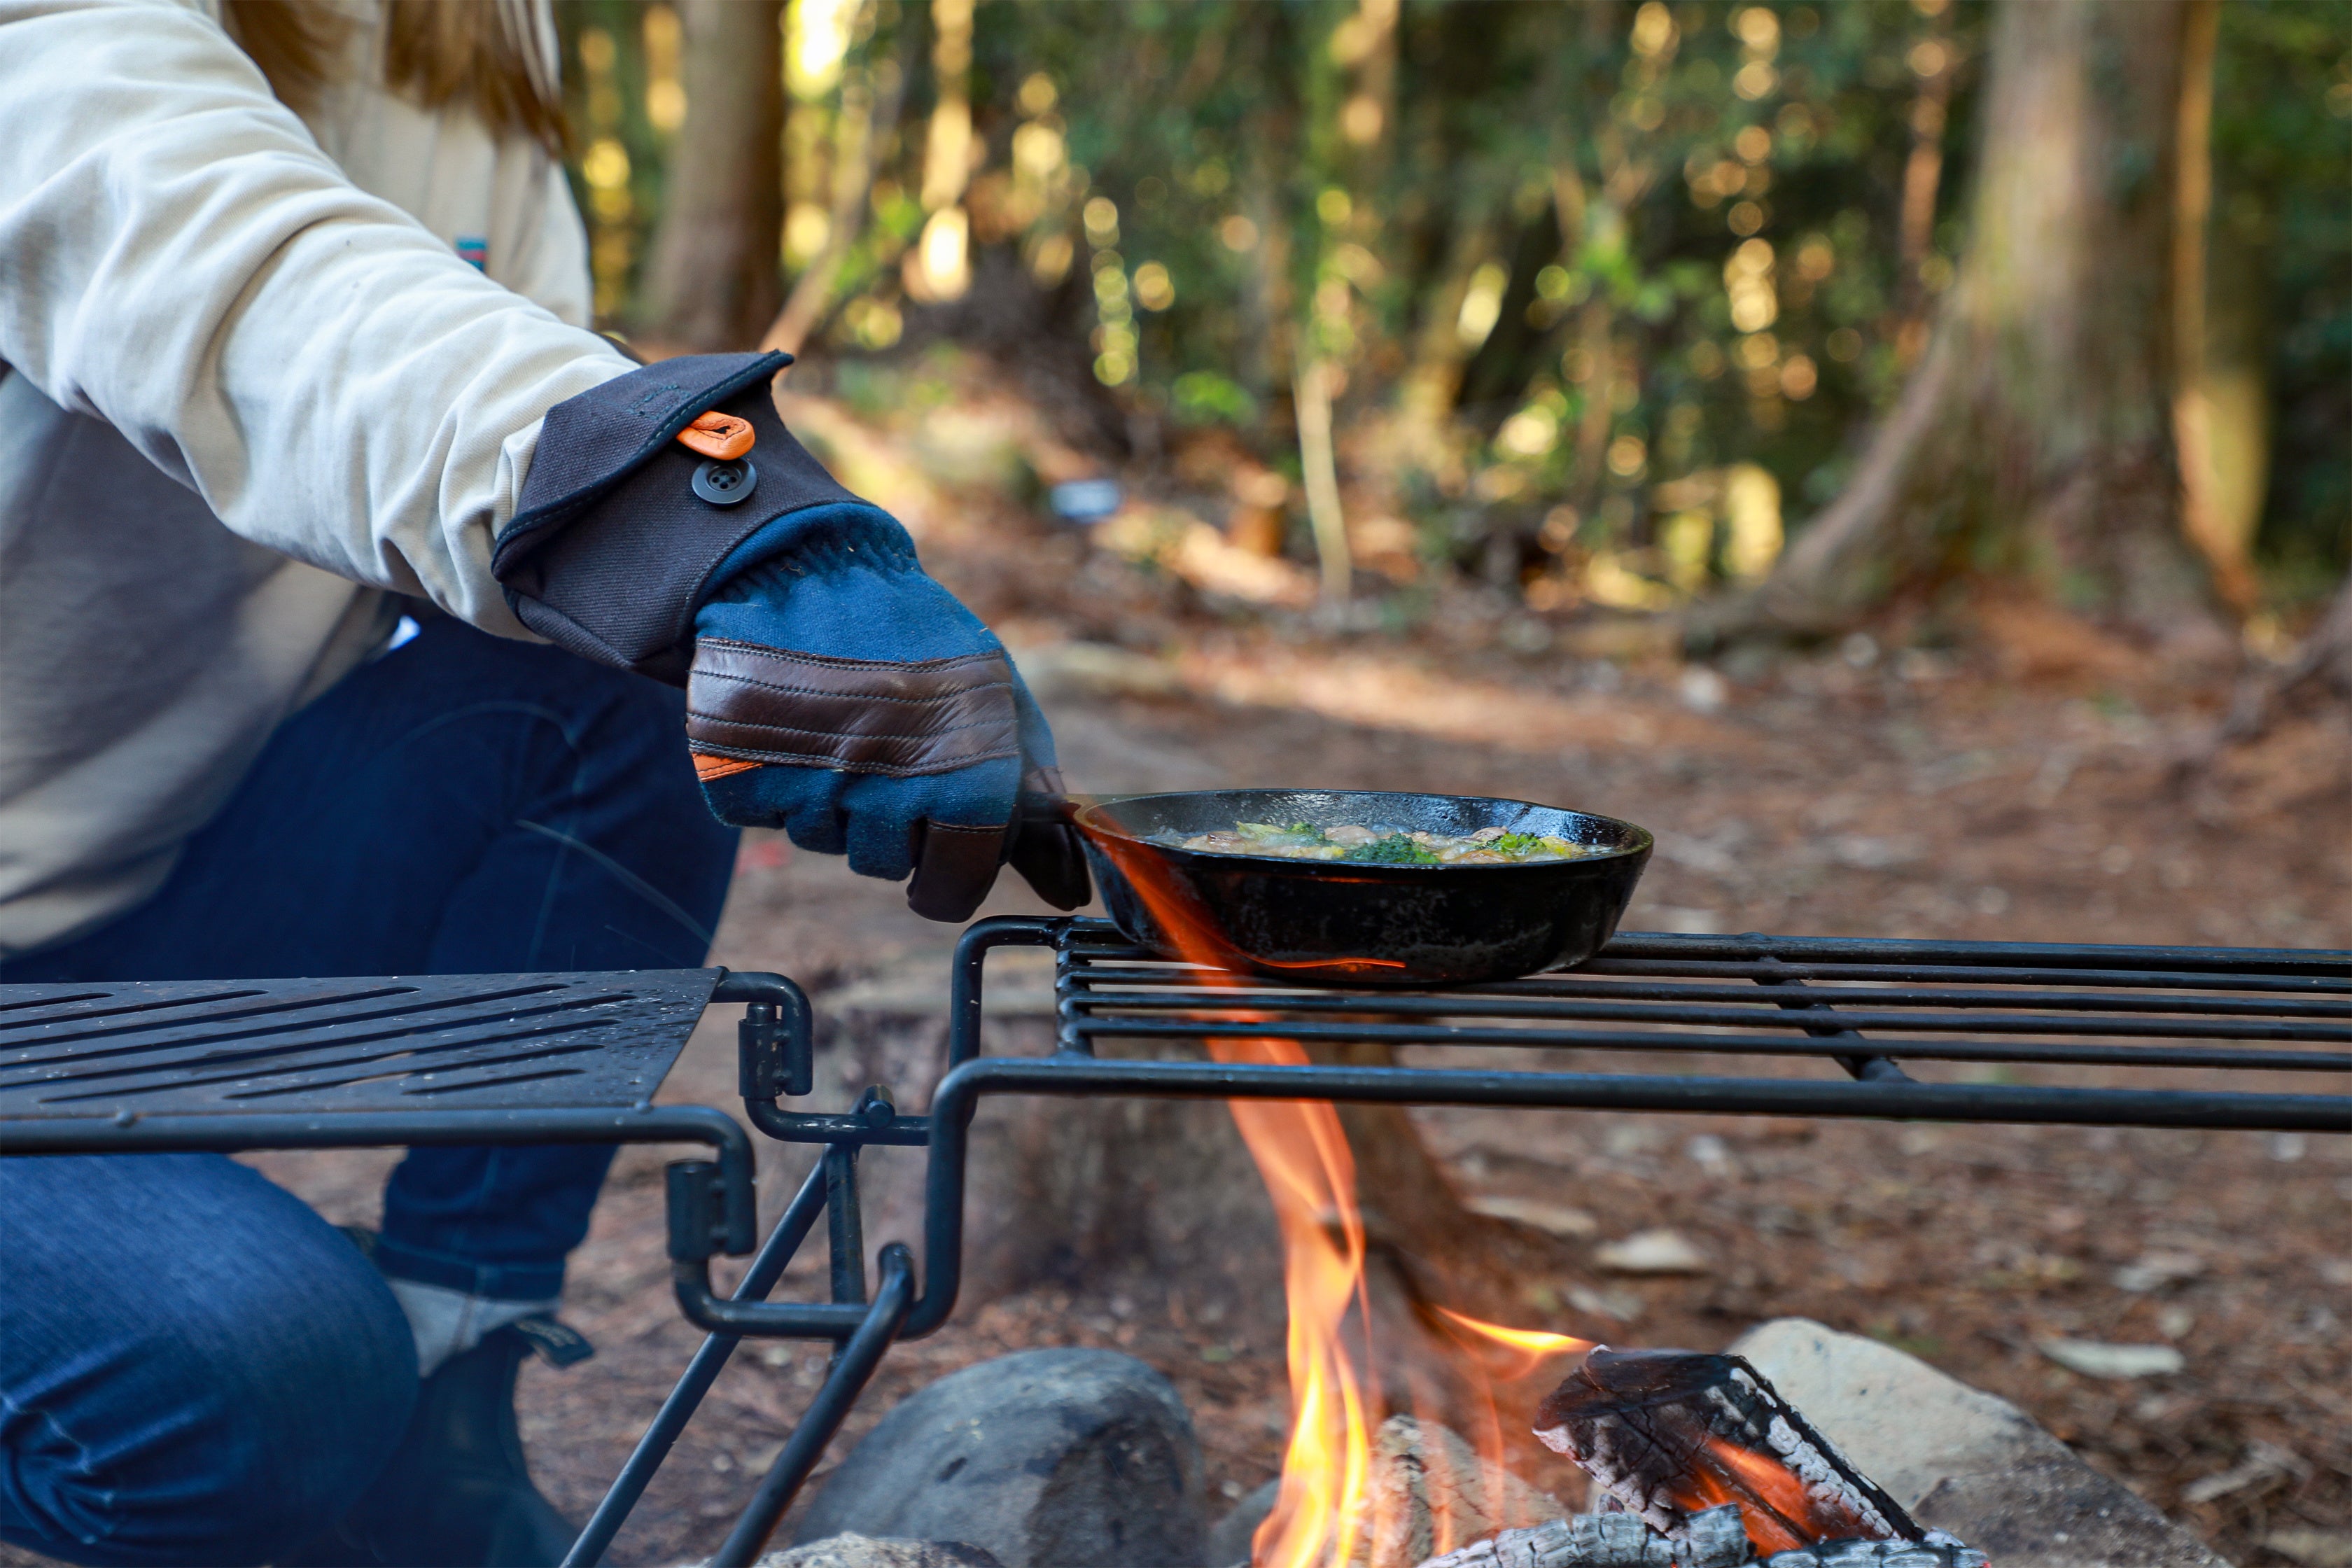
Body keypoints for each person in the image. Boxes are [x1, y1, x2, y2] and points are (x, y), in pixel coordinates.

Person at [0, 2, 1084, 1564]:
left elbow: (489, 483)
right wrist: (688, 515)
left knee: (607, 660)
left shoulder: (469, 47)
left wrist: (752, 595)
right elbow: (226, 266)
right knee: (262, 1386)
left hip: (122, 933)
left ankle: (456, 1387)